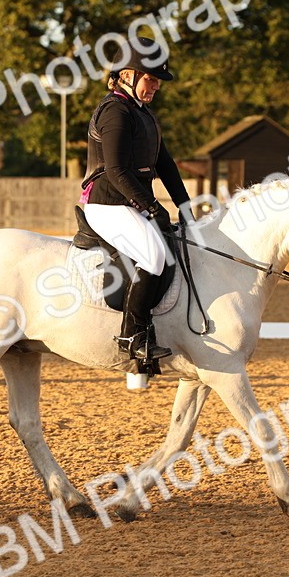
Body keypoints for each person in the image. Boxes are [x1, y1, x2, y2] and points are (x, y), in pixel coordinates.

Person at [80, 36, 191, 362]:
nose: (156, 86)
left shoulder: (144, 114)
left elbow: (166, 165)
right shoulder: (115, 112)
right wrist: (153, 207)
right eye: (151, 78)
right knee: (154, 255)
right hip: (108, 203)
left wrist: (184, 207)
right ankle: (131, 334)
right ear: (127, 75)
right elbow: (115, 171)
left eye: (157, 81)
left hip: (130, 203)